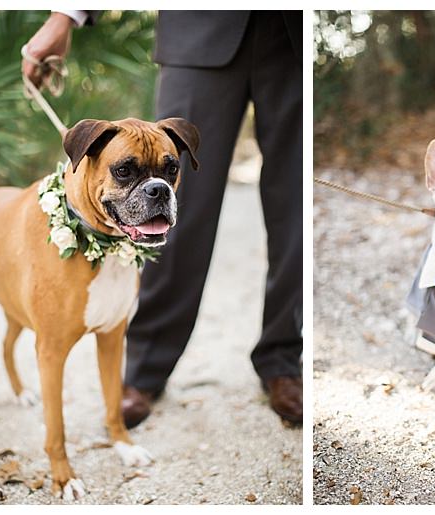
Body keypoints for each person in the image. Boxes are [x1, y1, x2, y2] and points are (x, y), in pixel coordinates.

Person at [22, 10, 303, 426]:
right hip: (199, 27)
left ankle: (283, 361)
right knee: (177, 214)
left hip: (295, 33)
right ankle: (145, 367)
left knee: (293, 209)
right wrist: (67, 13)